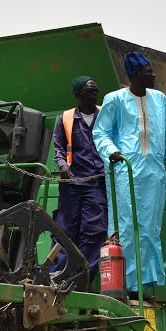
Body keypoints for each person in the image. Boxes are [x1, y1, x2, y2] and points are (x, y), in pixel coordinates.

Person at [92, 51, 166, 294]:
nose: (153, 75)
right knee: (127, 226)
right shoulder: (115, 99)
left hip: (154, 174)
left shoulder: (160, 100)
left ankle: (144, 285)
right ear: (135, 74)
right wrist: (112, 151)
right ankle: (124, 285)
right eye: (148, 71)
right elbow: (100, 132)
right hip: (126, 171)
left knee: (150, 229)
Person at [52, 76, 108, 273]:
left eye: (96, 90)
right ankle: (57, 274)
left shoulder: (105, 115)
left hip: (97, 183)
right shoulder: (65, 118)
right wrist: (62, 166)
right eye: (90, 91)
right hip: (72, 184)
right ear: (78, 94)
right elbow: (58, 148)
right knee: (64, 231)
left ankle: (81, 274)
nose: (95, 94)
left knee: (95, 231)